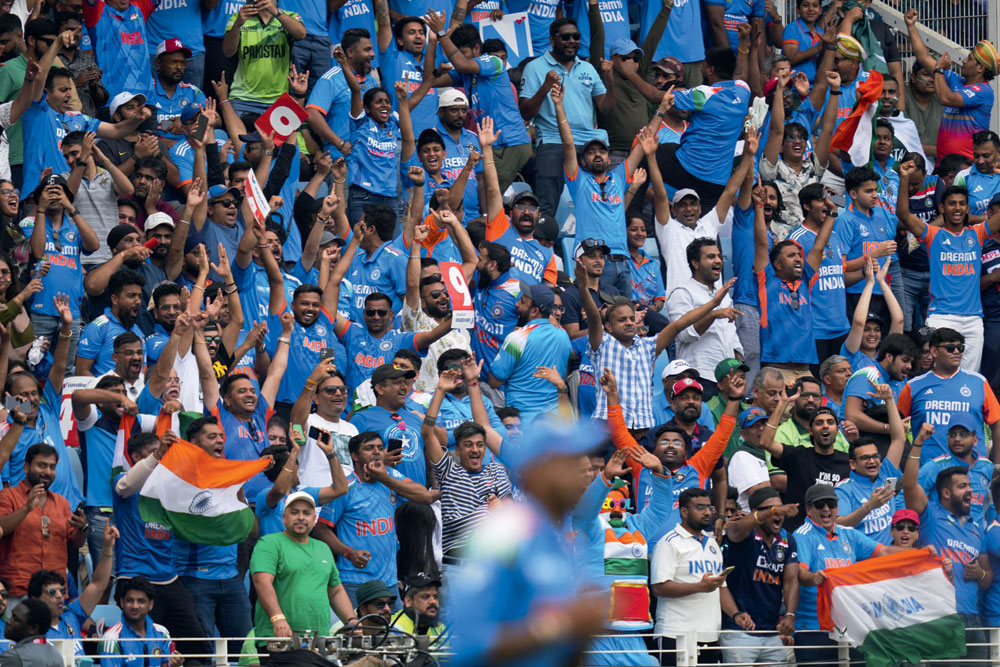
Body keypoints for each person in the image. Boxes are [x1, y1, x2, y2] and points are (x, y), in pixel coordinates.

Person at [446, 420, 607, 667]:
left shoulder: (553, 538)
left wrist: (581, 632)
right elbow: (470, 645)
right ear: (536, 472)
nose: (581, 473)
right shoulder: (506, 534)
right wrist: (562, 624)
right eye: (566, 463)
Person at [570, 445, 672, 666]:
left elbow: (661, 509)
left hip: (632, 630)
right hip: (597, 630)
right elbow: (585, 511)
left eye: (621, 502)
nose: (616, 508)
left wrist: (660, 472)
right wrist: (605, 477)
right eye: (610, 502)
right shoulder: (592, 526)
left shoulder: (638, 526)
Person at [314, 430, 436, 607]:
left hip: (389, 582)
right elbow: (320, 529)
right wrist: (348, 552)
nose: (377, 452)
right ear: (355, 456)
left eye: (380, 447)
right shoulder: (345, 487)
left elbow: (424, 496)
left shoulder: (390, 477)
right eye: (369, 448)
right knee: (357, 633)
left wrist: (384, 478)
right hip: (354, 581)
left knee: (393, 634)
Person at [898, 159, 1000, 371]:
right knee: (940, 374)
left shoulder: (978, 233)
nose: (957, 208)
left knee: (970, 376)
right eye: (952, 203)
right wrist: (904, 179)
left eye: (962, 204)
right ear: (942, 207)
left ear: (967, 208)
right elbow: (903, 215)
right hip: (942, 316)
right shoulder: (932, 235)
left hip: (973, 319)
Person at [903, 425, 992, 665]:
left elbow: (987, 580)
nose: (970, 491)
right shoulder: (930, 515)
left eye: (970, 486)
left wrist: (980, 572)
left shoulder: (976, 529)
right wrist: (918, 443)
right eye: (962, 487)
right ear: (944, 493)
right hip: (938, 615)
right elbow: (909, 486)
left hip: (972, 617)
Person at [792, 483, 904, 666]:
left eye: (831, 503)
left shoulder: (848, 533)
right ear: (808, 510)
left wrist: (920, 552)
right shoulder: (802, 535)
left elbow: (884, 552)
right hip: (814, 629)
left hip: (849, 627)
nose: (827, 509)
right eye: (820, 504)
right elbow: (799, 573)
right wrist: (813, 578)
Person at [519, 17, 615, 218]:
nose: (572, 41)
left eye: (576, 37)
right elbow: (525, 112)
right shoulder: (535, 67)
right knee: (547, 207)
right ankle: (546, 246)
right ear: (552, 40)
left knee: (597, 204)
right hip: (553, 142)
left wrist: (611, 80)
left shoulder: (587, 68)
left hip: (589, 143)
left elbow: (607, 110)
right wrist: (545, 86)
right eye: (565, 37)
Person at [250, 491, 358, 654]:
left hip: (317, 640)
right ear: (284, 518)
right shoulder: (269, 543)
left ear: (314, 520)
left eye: (306, 513)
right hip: (280, 639)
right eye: (294, 512)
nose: (301, 517)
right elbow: (262, 582)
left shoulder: (323, 548)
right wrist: (277, 617)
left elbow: (335, 590)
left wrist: (351, 621)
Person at [719, 487, 799, 666]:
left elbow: (791, 581)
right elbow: (735, 530)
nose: (777, 514)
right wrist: (774, 510)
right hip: (739, 631)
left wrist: (790, 615)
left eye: (780, 509)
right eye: (771, 510)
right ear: (755, 513)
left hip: (773, 632)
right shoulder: (743, 532)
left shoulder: (787, 539)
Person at [897, 327, 1000, 463]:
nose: (956, 352)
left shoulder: (979, 382)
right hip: (926, 472)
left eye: (960, 348)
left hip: (972, 472)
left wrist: (997, 464)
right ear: (934, 351)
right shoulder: (913, 386)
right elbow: (897, 427)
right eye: (950, 348)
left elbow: (997, 424)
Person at [649, 487, 726, 666]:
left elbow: (722, 587)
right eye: (700, 507)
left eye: (710, 507)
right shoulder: (669, 543)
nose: (707, 512)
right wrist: (700, 587)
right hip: (675, 634)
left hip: (709, 634)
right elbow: (659, 587)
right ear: (684, 512)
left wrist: (736, 613)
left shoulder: (712, 543)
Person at [0, 443, 88, 598]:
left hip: (54, 592)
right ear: (26, 467)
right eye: (42, 465)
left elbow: (76, 542)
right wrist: (26, 508)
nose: (47, 472)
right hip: (18, 589)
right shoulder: (7, 496)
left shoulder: (62, 503)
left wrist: (83, 528)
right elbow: (2, 528)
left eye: (52, 467)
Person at [905, 10, 996, 160]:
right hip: (944, 165)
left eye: (970, 59)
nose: (964, 61)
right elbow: (923, 57)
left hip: (965, 166)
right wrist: (911, 26)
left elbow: (945, 99)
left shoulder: (983, 91)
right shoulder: (956, 81)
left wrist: (939, 70)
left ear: (980, 68)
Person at [759, 391, 851, 531]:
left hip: (835, 536)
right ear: (811, 431)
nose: (825, 426)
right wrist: (782, 404)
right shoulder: (797, 456)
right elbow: (766, 442)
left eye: (830, 422)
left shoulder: (848, 462)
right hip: (797, 534)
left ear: (838, 430)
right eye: (819, 423)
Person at [488, 282, 571, 423]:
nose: (517, 305)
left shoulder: (516, 338)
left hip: (525, 423)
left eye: (523, 302)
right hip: (558, 420)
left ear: (534, 311)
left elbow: (494, 381)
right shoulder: (563, 335)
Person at [834, 384, 905, 545]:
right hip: (862, 561)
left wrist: (889, 400)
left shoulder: (886, 476)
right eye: (865, 458)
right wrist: (869, 506)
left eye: (875, 457)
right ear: (853, 464)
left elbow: (899, 438)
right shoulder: (844, 489)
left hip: (888, 559)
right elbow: (838, 524)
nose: (872, 461)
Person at [221, 0, 306, 114]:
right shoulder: (238, 18)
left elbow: (301, 34)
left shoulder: (289, 16)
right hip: (243, 99)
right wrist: (237, 25)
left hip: (278, 99)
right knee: (238, 133)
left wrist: (276, 12)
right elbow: (228, 51)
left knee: (288, 132)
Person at [917, 413, 993, 524]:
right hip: (944, 534)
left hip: (977, 536)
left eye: (963, 434)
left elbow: (992, 504)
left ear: (975, 440)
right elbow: (905, 497)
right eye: (952, 434)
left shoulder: (987, 466)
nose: (957, 439)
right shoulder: (935, 466)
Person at [99, 577, 182, 667]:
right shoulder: (111, 639)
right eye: (130, 600)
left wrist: (173, 665)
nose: (135, 606)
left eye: (141, 601)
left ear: (150, 605)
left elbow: (165, 664)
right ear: (122, 602)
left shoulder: (162, 632)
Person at [0, 599, 62, 667]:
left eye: (16, 619)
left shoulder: (14, 657)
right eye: (11, 615)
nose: (8, 621)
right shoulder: (57, 655)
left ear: (34, 628)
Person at [390, 573, 445, 639]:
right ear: (409, 601)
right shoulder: (395, 628)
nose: (433, 601)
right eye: (425, 597)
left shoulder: (441, 628)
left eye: (435, 597)